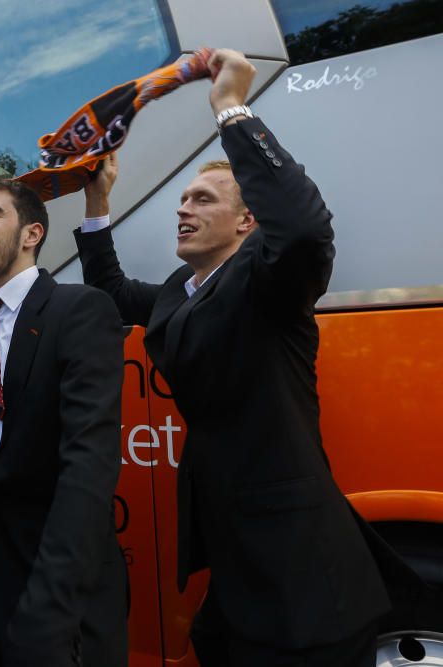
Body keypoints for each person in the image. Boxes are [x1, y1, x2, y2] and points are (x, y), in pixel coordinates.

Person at [75, 48, 391, 666]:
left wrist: (232, 109)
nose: (181, 208)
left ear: (248, 221)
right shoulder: (178, 292)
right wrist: (97, 200)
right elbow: (110, 291)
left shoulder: (268, 283)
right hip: (237, 569)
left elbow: (301, 228)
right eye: (183, 198)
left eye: (202, 200)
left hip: (304, 586)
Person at [0, 176, 127, 667]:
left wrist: (50, 607)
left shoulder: (80, 310)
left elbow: (89, 464)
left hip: (60, 598)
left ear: (31, 235)